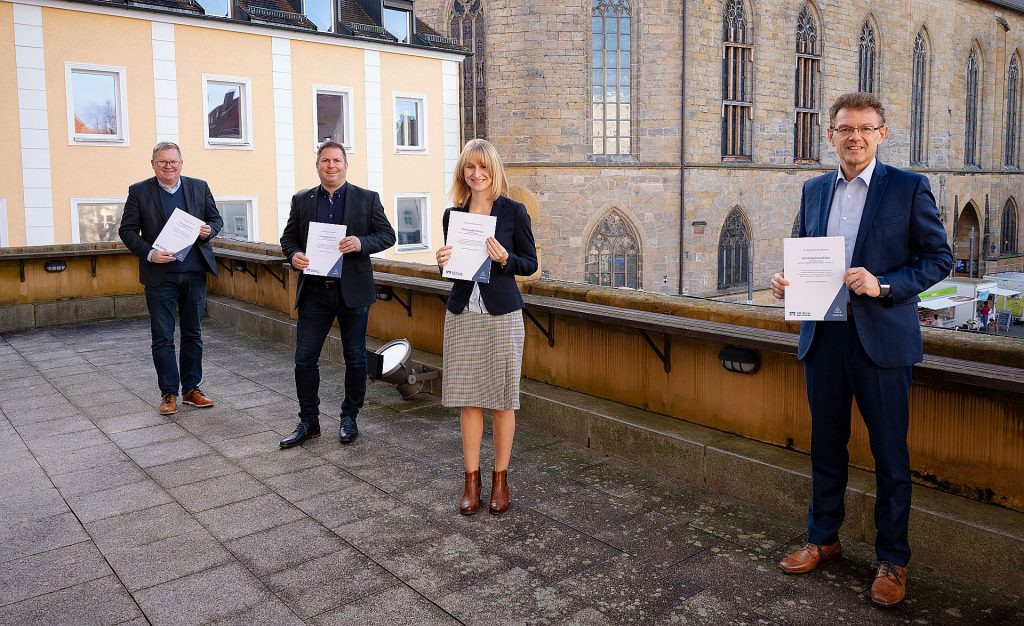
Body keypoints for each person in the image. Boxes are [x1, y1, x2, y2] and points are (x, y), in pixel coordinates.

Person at [771, 93, 952, 607]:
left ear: (882, 134)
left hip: (882, 341)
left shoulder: (909, 188)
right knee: (825, 446)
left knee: (890, 456)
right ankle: (823, 538)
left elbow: (939, 259)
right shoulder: (813, 190)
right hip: (824, 335)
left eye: (866, 129)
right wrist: (784, 282)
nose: (855, 137)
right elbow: (802, 250)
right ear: (831, 135)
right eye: (846, 128)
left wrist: (884, 285)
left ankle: (892, 560)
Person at [435, 139, 538, 516]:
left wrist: (507, 258)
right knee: (468, 400)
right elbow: (453, 270)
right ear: (463, 173)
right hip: (464, 314)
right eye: (469, 168)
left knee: (502, 401)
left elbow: (529, 263)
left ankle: (500, 480)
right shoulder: (453, 215)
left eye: (483, 168)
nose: (476, 175)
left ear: (494, 170)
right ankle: (471, 481)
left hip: (502, 316)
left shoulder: (513, 212)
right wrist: (442, 261)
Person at [279, 141, 396, 449]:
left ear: (346, 165)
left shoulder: (367, 199)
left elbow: (387, 235)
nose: (331, 166)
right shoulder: (302, 200)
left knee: (355, 358)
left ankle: (349, 417)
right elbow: (288, 238)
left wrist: (360, 242)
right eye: (325, 161)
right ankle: (309, 421)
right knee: (304, 359)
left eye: (337, 161)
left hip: (352, 291)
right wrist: (294, 256)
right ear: (317, 165)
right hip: (315, 291)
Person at [119, 142, 223, 416]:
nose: (168, 166)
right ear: (153, 164)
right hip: (160, 276)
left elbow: (216, 219)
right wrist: (150, 253)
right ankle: (168, 394)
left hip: (194, 273)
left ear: (181, 163)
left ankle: (191, 389)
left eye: (173, 162)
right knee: (162, 337)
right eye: (162, 162)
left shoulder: (199, 187)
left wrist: (208, 230)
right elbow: (127, 231)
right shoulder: (139, 191)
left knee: (193, 333)